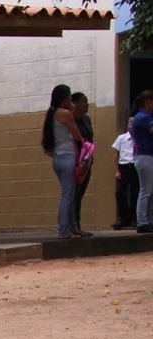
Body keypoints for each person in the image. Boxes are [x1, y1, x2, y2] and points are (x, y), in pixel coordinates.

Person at [40, 84, 84, 239]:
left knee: (69, 193)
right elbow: (77, 135)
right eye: (69, 96)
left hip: (58, 157)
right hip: (68, 156)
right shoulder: (65, 114)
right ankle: (64, 229)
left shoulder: (52, 114)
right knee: (68, 194)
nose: (71, 99)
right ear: (63, 98)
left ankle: (70, 227)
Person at [70, 92, 94, 237]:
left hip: (87, 160)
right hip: (76, 160)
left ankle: (77, 224)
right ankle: (72, 225)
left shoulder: (86, 119)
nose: (87, 104)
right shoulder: (71, 119)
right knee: (74, 193)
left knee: (80, 194)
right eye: (84, 101)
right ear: (76, 103)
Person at [131, 90, 153, 234]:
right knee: (146, 191)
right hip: (144, 156)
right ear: (148, 102)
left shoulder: (144, 116)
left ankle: (149, 220)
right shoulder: (143, 117)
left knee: (149, 191)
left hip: (147, 156)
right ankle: (142, 221)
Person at [112, 116, 138, 229]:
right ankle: (124, 217)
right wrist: (116, 170)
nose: (132, 125)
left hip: (135, 166)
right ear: (127, 124)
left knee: (135, 192)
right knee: (119, 192)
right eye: (130, 122)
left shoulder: (139, 138)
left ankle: (134, 218)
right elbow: (115, 154)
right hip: (124, 167)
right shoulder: (121, 138)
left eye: (135, 123)